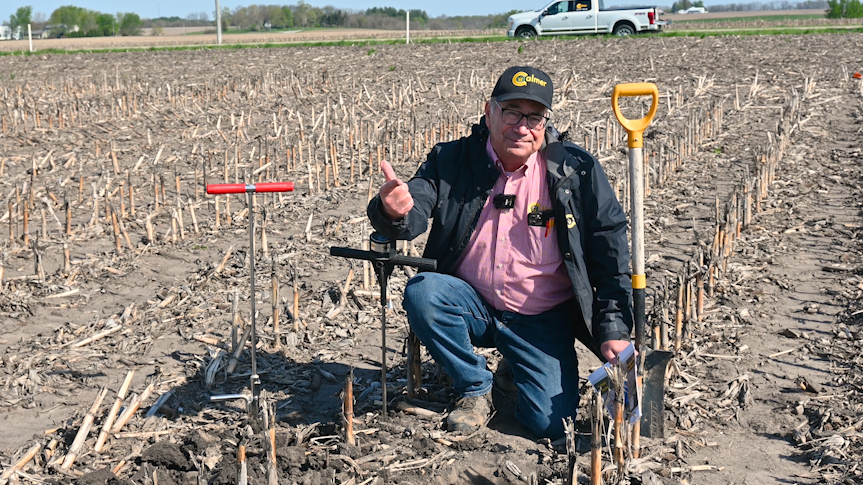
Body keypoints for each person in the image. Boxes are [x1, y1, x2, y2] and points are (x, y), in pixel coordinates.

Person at [367, 66, 633, 440]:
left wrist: (614, 328)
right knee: (424, 293)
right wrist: (394, 211)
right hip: (472, 303)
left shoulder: (576, 171)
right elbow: (414, 211)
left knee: (550, 424)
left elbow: (610, 250)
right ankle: (474, 386)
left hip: (542, 317)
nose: (522, 126)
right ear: (489, 111)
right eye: (511, 112)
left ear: (544, 122)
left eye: (534, 116)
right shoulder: (452, 160)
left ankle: (516, 366)